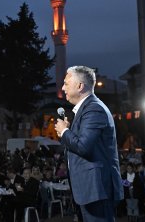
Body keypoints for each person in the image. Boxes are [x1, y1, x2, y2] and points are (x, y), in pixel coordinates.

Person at [55, 65, 123, 221]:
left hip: (97, 190)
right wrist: (66, 132)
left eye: (66, 83)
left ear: (80, 86)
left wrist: (65, 132)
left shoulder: (93, 109)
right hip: (90, 189)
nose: (63, 88)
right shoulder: (87, 109)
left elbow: (83, 147)